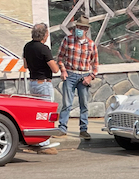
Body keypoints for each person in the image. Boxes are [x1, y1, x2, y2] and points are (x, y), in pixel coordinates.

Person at [55, 16, 98, 140]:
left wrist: (90, 77)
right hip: (70, 74)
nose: (79, 29)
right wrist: (63, 70)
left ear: (86, 30)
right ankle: (62, 128)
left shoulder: (91, 44)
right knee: (67, 103)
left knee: (84, 104)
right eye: (77, 27)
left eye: (81, 28)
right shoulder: (68, 40)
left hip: (84, 76)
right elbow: (60, 57)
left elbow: (95, 64)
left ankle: (83, 129)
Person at [22, 23, 61, 151]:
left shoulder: (27, 46)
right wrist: (58, 64)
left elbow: (25, 65)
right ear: (44, 35)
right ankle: (44, 142)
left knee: (36, 113)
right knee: (47, 113)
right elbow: (54, 69)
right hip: (43, 83)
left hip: (33, 82)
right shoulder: (44, 49)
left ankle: (36, 139)